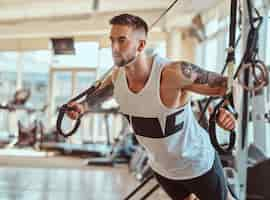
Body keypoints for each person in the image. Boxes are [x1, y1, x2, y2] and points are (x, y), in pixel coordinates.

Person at [67, 14, 236, 200]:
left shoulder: (173, 73)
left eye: (122, 40)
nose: (114, 48)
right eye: (112, 40)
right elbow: (105, 91)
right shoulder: (117, 76)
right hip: (163, 169)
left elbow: (228, 86)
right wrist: (82, 106)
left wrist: (228, 112)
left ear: (140, 45)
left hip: (198, 164)